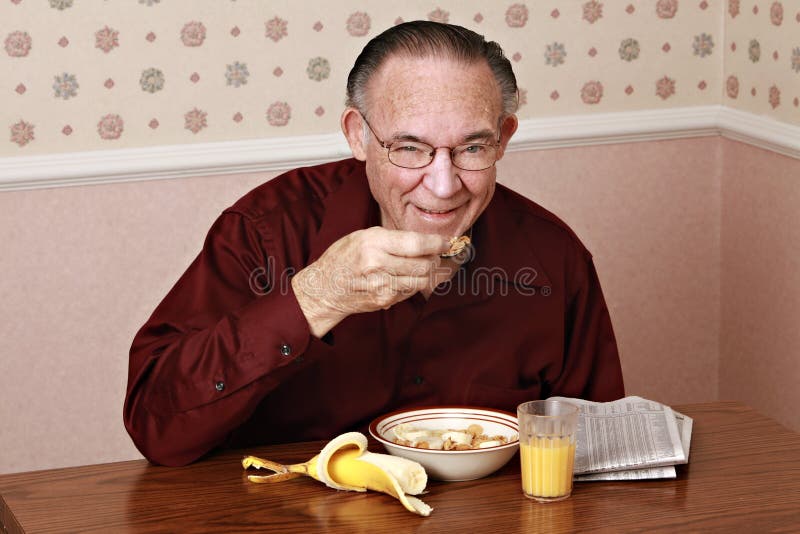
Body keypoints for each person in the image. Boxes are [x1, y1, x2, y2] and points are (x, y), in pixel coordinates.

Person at [124, 21, 624, 467]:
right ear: (358, 135)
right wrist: (316, 296)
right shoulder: (265, 229)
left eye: (473, 148)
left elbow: (596, 452)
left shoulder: (554, 256)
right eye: (409, 148)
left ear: (504, 137)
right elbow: (155, 426)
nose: (444, 185)